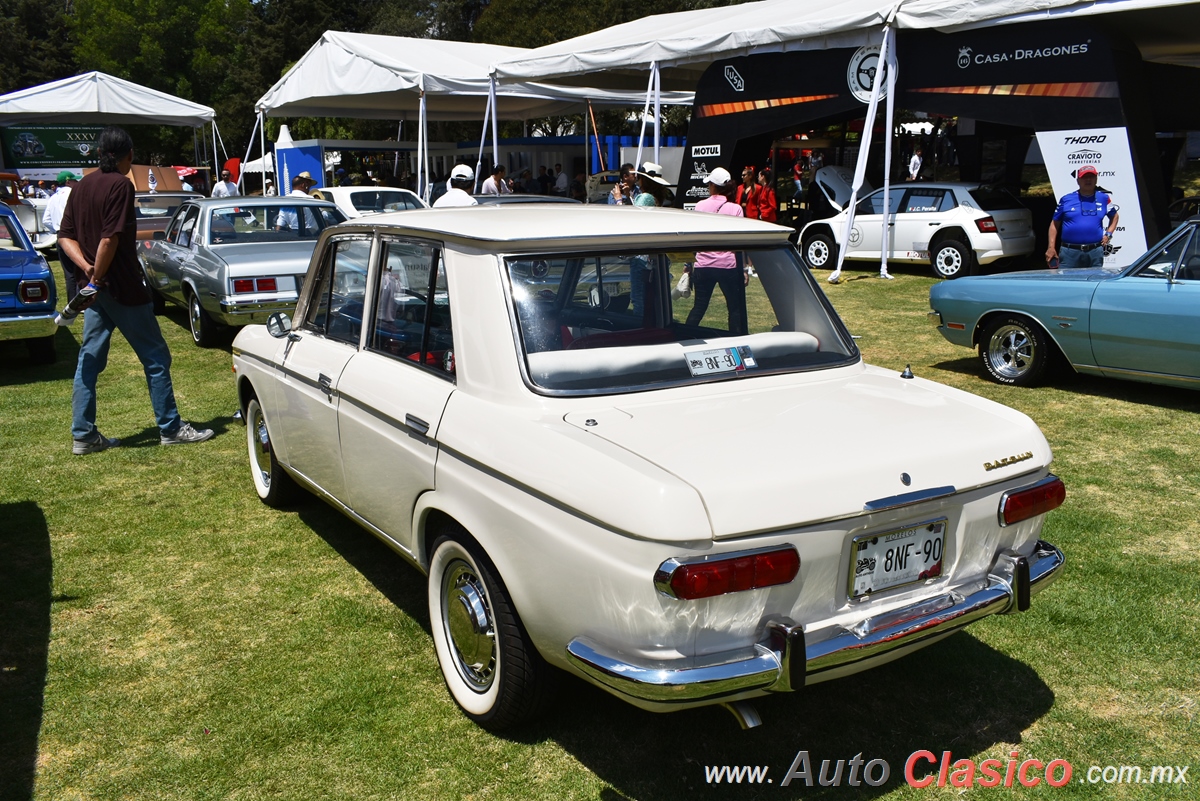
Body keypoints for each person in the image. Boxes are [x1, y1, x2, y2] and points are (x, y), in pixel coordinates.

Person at [56, 126, 213, 455]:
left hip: (95, 291)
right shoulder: (121, 185)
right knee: (156, 357)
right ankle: (170, 427)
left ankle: (83, 434)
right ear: (128, 155)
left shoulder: (81, 187)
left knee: (89, 360)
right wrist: (97, 276)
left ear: (100, 154)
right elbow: (109, 239)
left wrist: (87, 274)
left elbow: (65, 238)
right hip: (122, 287)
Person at [686, 167, 747, 335]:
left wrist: (688, 264)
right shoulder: (735, 209)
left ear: (713, 185)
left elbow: (692, 238)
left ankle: (686, 337)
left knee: (699, 307)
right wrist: (744, 269)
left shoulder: (700, 206)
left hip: (703, 265)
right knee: (734, 308)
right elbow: (739, 241)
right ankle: (737, 339)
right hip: (728, 265)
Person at [1047, 165, 1119, 269]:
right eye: (1085, 177)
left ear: (1096, 179)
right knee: (1069, 283)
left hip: (1095, 251)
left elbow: (1115, 216)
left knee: (1094, 282)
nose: (1088, 180)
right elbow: (1054, 224)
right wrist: (1051, 247)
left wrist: (1108, 234)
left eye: (1091, 177)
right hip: (1069, 252)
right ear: (1078, 181)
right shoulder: (1066, 199)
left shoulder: (1104, 198)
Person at [44, 170, 82, 302]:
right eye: (74, 180)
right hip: (74, 234)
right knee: (81, 268)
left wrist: (57, 229)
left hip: (60, 236)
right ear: (68, 181)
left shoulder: (53, 197)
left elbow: (46, 220)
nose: (77, 182)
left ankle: (72, 302)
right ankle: (82, 300)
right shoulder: (73, 193)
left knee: (69, 273)